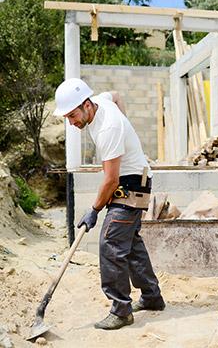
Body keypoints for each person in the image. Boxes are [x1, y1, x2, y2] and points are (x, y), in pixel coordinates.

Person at [54, 78, 165, 330]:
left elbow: (110, 180)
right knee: (131, 243)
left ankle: (121, 311)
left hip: (130, 184)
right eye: (68, 118)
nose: (72, 122)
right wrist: (129, 131)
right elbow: (115, 94)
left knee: (111, 242)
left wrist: (93, 210)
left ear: (86, 105)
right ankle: (152, 297)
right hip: (133, 180)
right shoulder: (101, 101)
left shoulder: (108, 129)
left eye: (73, 116)